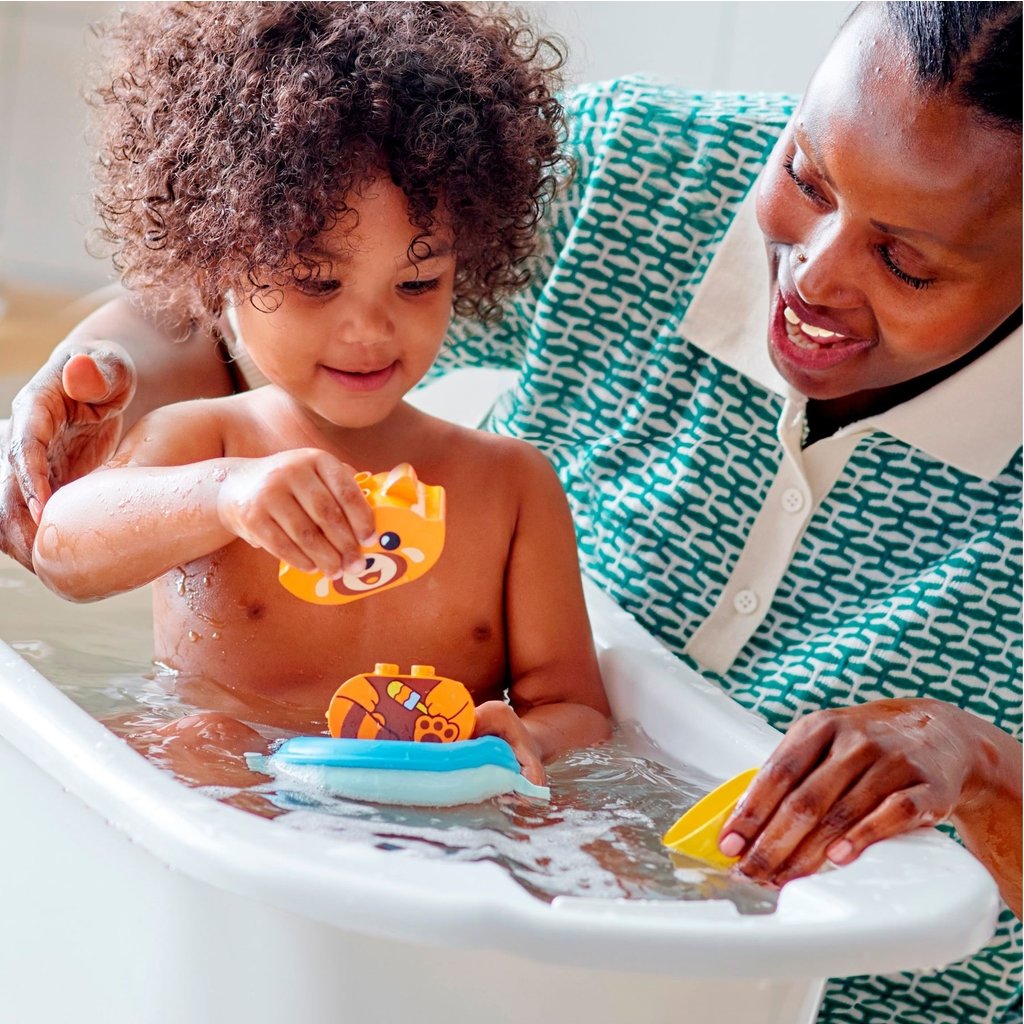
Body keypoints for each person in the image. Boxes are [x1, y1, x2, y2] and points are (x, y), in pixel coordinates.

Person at [1, 2, 1019, 1022]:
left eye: (908, 262)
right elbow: (229, 293)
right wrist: (105, 378)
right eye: (803, 174)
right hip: (277, 903)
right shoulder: (632, 181)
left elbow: (570, 716)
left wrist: (978, 764)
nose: (818, 272)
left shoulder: (508, 487)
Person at [25, 1, 611, 786]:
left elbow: (579, 711)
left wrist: (519, 742)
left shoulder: (512, 486)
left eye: (417, 281)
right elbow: (62, 549)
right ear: (219, 266)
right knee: (185, 741)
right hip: (238, 801)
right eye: (315, 281)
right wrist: (223, 497)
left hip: (435, 816)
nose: (369, 329)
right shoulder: (209, 444)